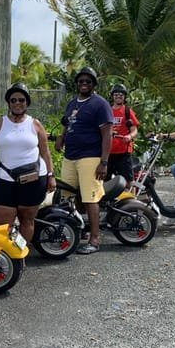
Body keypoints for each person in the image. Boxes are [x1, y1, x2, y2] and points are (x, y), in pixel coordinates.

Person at [0, 82, 57, 242]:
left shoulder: (35, 124)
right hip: (6, 179)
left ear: (27, 102)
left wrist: (51, 175)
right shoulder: (0, 123)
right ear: (9, 103)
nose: (17, 103)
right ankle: (5, 253)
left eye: (21, 100)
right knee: (3, 222)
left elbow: (45, 152)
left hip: (33, 178)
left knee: (27, 220)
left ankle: (22, 253)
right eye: (13, 100)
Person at [54, 66, 113, 254]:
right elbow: (68, 123)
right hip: (70, 156)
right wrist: (61, 137)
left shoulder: (100, 104)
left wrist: (104, 162)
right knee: (66, 197)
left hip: (90, 156)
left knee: (90, 198)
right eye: (81, 81)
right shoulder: (72, 103)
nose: (84, 84)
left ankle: (94, 239)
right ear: (77, 84)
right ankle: (72, 233)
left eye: (88, 81)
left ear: (94, 84)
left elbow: (107, 134)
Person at [107, 83, 140, 186]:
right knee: (104, 180)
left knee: (128, 181)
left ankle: (130, 196)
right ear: (112, 96)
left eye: (121, 95)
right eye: (116, 94)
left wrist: (129, 136)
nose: (118, 96)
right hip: (108, 152)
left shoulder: (127, 111)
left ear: (124, 96)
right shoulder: (107, 111)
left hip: (123, 151)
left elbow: (134, 130)